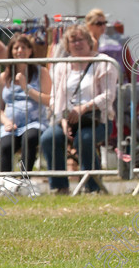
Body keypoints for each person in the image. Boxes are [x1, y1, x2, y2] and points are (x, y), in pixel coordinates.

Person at [40, 25, 118, 195]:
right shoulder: (62, 66)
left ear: (89, 42)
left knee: (84, 139)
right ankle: (60, 187)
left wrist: (83, 108)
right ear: (67, 45)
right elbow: (55, 99)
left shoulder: (103, 62)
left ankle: (94, 188)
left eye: (80, 39)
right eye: (72, 40)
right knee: (49, 138)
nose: (77, 43)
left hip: (98, 120)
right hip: (68, 120)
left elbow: (108, 96)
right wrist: (63, 120)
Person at [0, 34, 51, 173]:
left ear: (30, 50)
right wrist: (5, 121)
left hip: (35, 123)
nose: (20, 51)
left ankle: (25, 179)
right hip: (11, 125)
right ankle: (5, 181)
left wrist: (26, 88)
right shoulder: (3, 77)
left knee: (29, 138)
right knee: (6, 145)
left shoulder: (41, 72)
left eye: (23, 47)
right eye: (16, 47)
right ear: (11, 51)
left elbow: (49, 100)